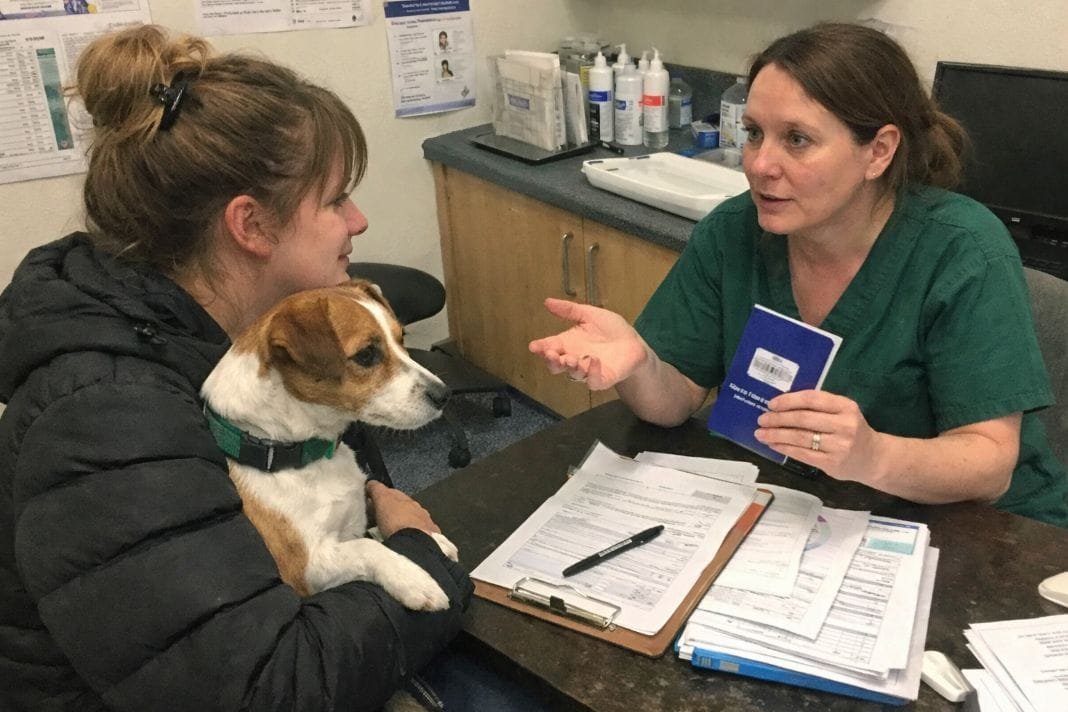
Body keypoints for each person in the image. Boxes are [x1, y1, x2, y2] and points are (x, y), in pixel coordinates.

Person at [0, 25, 477, 711]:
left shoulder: (234, 352)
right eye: (338, 198)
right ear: (251, 226)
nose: (360, 220)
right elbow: (267, 690)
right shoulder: (107, 422)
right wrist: (420, 551)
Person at [529, 22, 1068, 528]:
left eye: (797, 140)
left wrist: (872, 455)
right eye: (755, 133)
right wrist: (640, 364)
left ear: (878, 151)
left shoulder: (961, 250)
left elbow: (989, 464)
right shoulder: (734, 231)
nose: (760, 164)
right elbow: (675, 402)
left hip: (979, 531)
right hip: (804, 508)